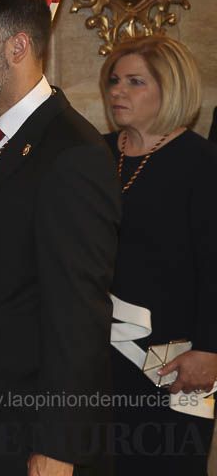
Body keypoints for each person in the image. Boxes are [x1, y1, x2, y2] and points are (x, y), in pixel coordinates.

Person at [0, 0, 121, 476]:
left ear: (19, 46)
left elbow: (78, 315)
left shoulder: (71, 153)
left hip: (28, 437)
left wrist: (59, 446)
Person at [100, 36, 217, 474]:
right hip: (103, 357)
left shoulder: (202, 163)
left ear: (172, 88)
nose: (117, 91)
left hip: (182, 361)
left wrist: (211, 349)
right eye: (114, 80)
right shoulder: (96, 152)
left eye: (135, 82)